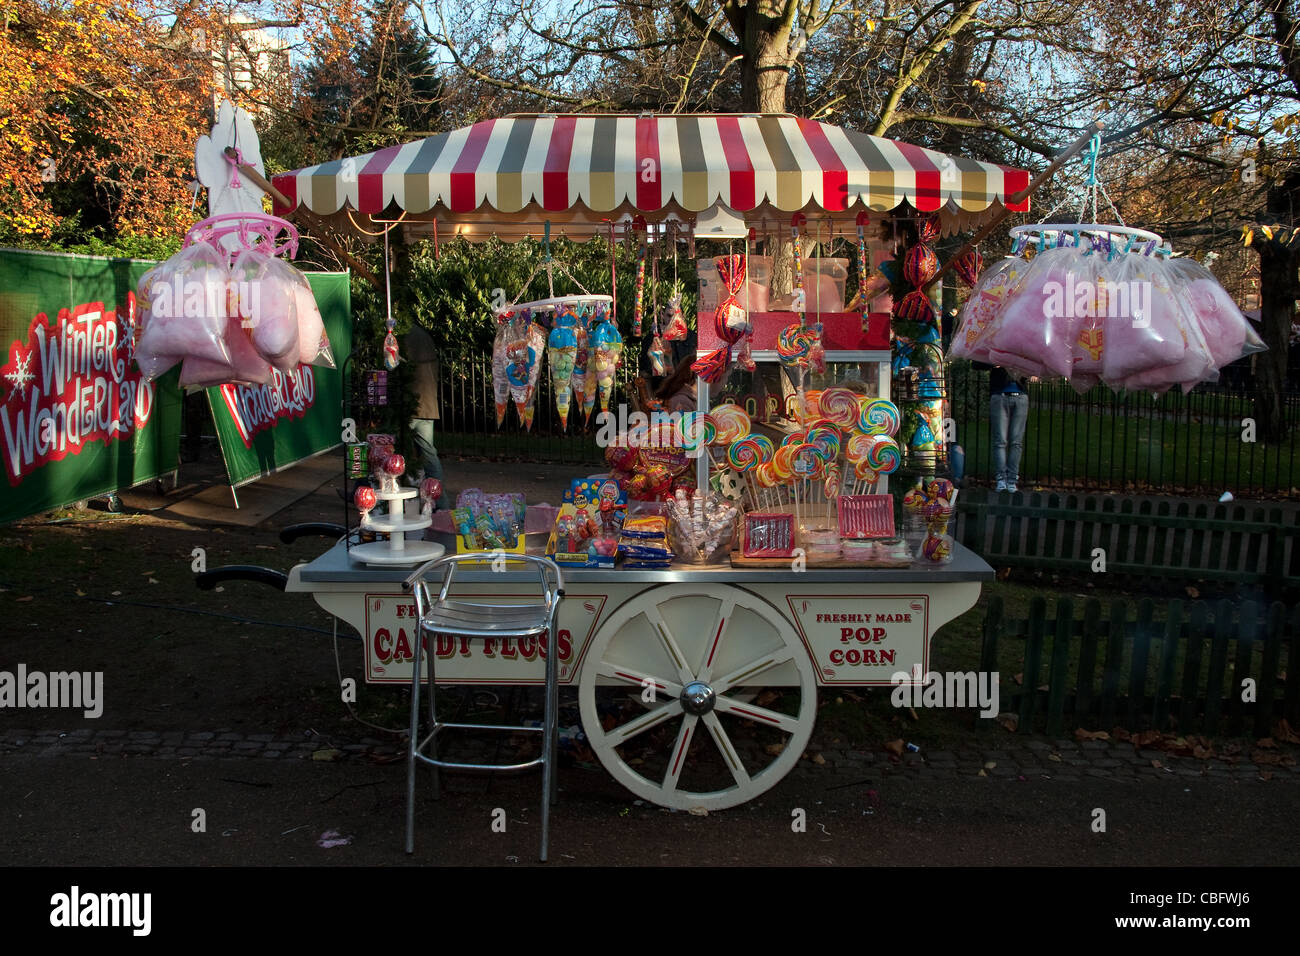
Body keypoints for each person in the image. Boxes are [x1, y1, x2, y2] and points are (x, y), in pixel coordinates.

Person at [404, 323, 446, 506]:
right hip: (427, 404)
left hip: (411, 404)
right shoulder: (422, 335)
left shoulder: (403, 335)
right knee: (429, 454)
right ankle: (441, 501)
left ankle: (401, 499)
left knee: (392, 449)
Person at [986, 365, 1029, 493]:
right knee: (1000, 441)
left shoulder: (1023, 346)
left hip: (1020, 396)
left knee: (1016, 442)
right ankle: (1001, 479)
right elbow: (977, 363)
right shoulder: (994, 345)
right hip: (999, 395)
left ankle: (1012, 480)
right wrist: (994, 362)